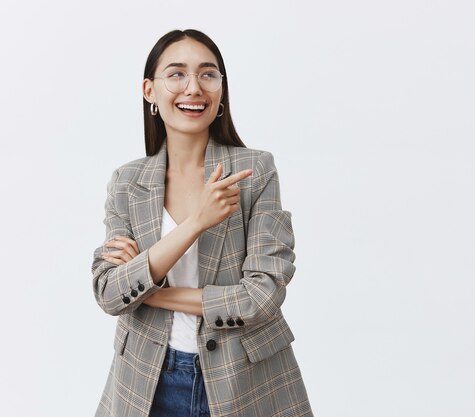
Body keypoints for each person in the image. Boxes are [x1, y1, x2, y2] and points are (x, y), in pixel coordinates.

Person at [91, 29, 313, 417]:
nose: (193, 87)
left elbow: (260, 296)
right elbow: (110, 293)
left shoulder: (254, 171)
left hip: (244, 382)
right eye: (176, 74)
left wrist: (147, 291)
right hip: (146, 379)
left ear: (221, 90)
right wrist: (196, 222)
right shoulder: (127, 183)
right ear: (149, 91)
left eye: (208, 74)